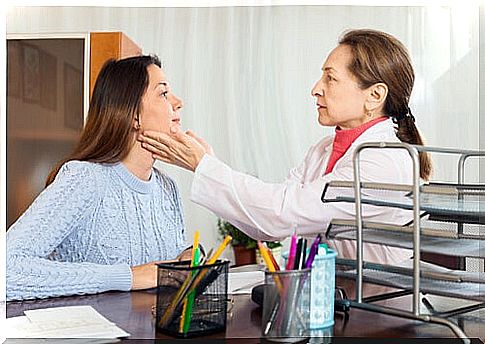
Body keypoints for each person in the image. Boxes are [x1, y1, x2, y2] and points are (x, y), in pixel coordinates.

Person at [138, 29, 432, 269]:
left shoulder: (384, 161)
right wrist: (207, 164)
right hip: (341, 297)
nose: (316, 88)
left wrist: (203, 166)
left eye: (330, 77)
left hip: (380, 307)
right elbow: (270, 222)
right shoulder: (323, 149)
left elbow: (281, 213)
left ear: (374, 95)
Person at [7, 55, 195, 301]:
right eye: (163, 93)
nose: (178, 103)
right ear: (133, 115)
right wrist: (129, 277)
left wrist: (186, 256)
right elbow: (7, 270)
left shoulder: (166, 187)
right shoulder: (84, 179)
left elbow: (162, 260)